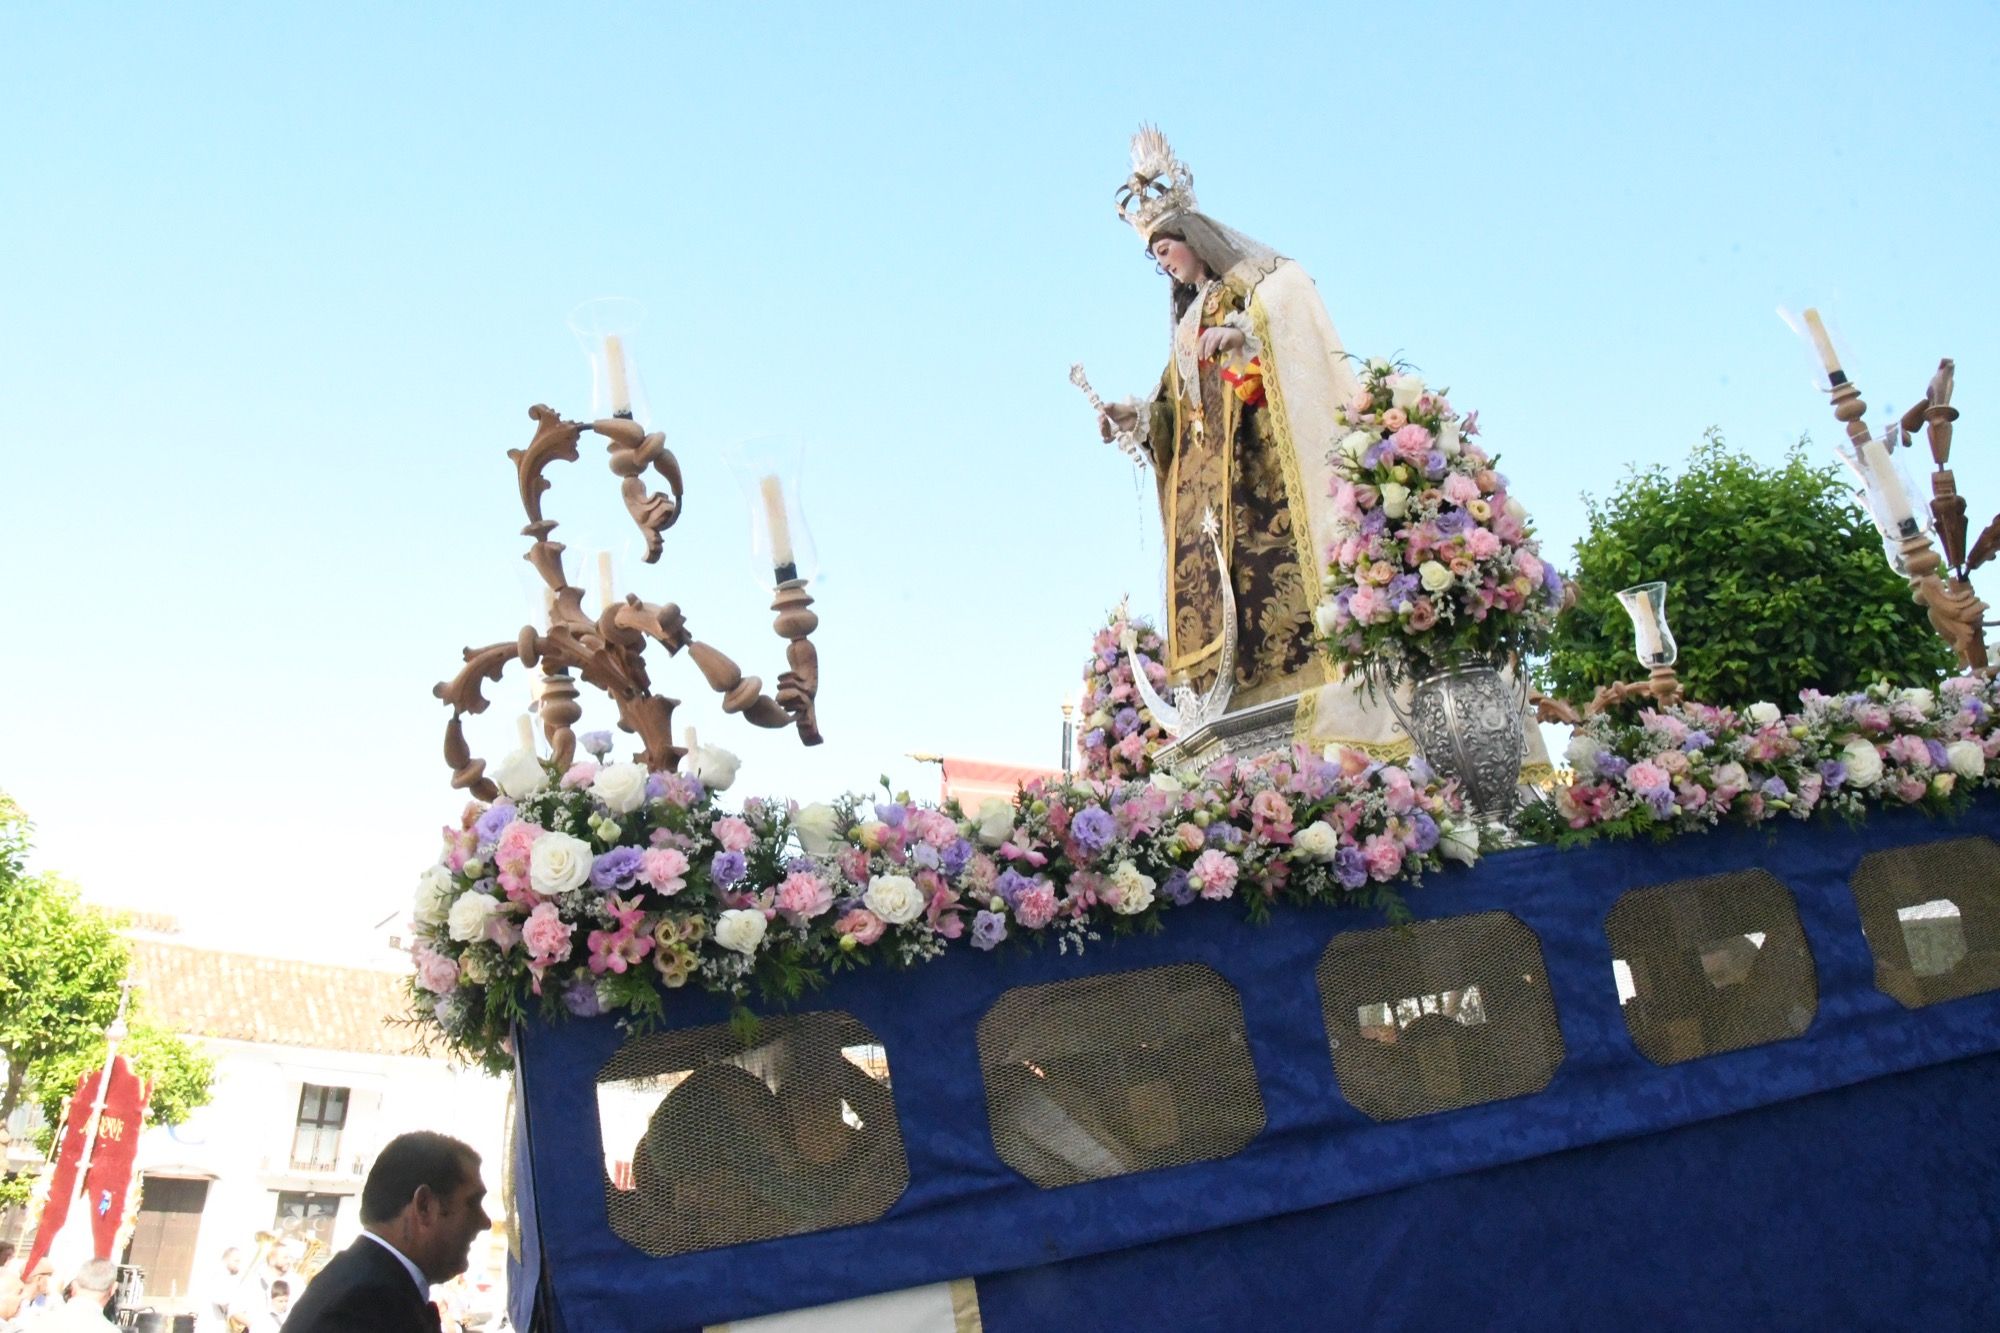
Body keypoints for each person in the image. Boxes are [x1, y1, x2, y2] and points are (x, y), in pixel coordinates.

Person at [1096, 128, 1550, 769]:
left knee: (1269, 589)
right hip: (1206, 501)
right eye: (1158, 257)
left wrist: (1243, 335)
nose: (1166, 263)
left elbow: (1292, 305)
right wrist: (1138, 418)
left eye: (1168, 247)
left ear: (1195, 241)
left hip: (1257, 478)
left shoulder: (1248, 287)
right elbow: (1176, 405)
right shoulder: (1183, 324)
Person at [284, 1131, 489, 1333]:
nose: (485, 1222)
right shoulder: (366, 1305)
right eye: (472, 1203)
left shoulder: (362, 1285)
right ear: (424, 1205)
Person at [21, 1257, 115, 1331]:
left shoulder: (42, 1320)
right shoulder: (109, 1329)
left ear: (74, 1285)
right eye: (51, 1275)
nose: (53, 1279)